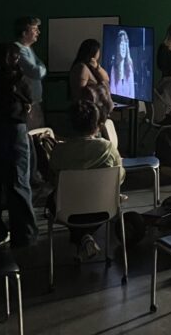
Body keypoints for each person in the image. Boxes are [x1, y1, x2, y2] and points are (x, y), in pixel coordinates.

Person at [49, 88, 124, 261]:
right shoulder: (107, 148)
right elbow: (120, 177)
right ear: (98, 124)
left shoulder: (59, 151)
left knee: (60, 200)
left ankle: (83, 238)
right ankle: (85, 237)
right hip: (103, 208)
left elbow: (53, 177)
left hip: (67, 209)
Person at [0, 43, 39, 247]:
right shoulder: (17, 79)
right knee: (19, 183)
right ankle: (24, 235)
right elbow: (29, 98)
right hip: (14, 132)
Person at [14, 16, 47, 129]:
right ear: (24, 32)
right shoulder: (19, 49)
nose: (38, 32)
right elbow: (37, 72)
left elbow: (39, 68)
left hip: (35, 103)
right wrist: (42, 67)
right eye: (34, 29)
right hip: (28, 105)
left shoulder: (28, 49)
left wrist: (41, 67)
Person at [70, 38, 113, 125]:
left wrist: (97, 67)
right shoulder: (81, 68)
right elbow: (79, 93)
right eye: (98, 51)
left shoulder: (91, 66)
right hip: (87, 115)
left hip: (95, 113)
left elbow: (106, 79)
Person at [110, 29, 135, 98]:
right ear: (118, 46)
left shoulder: (129, 66)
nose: (123, 47)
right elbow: (112, 92)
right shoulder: (114, 67)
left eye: (125, 44)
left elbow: (132, 92)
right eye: (121, 44)